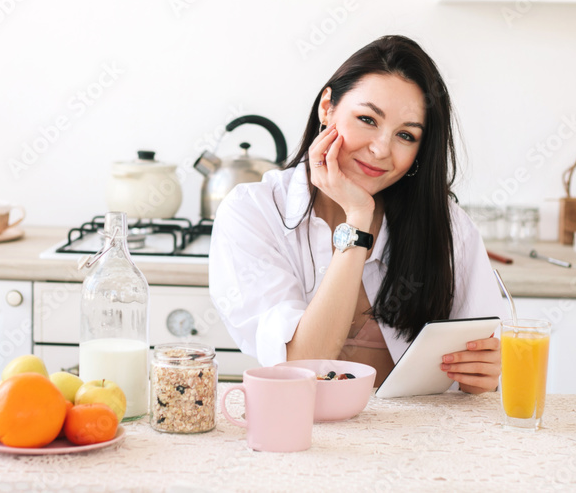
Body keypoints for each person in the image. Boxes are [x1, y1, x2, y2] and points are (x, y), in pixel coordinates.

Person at [208, 35, 504, 391]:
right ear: (327, 107)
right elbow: (305, 363)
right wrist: (358, 218)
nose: (380, 149)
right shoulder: (253, 212)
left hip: (419, 440)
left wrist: (482, 375)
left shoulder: (447, 225)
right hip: (301, 436)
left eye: (406, 136)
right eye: (367, 119)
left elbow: (489, 357)